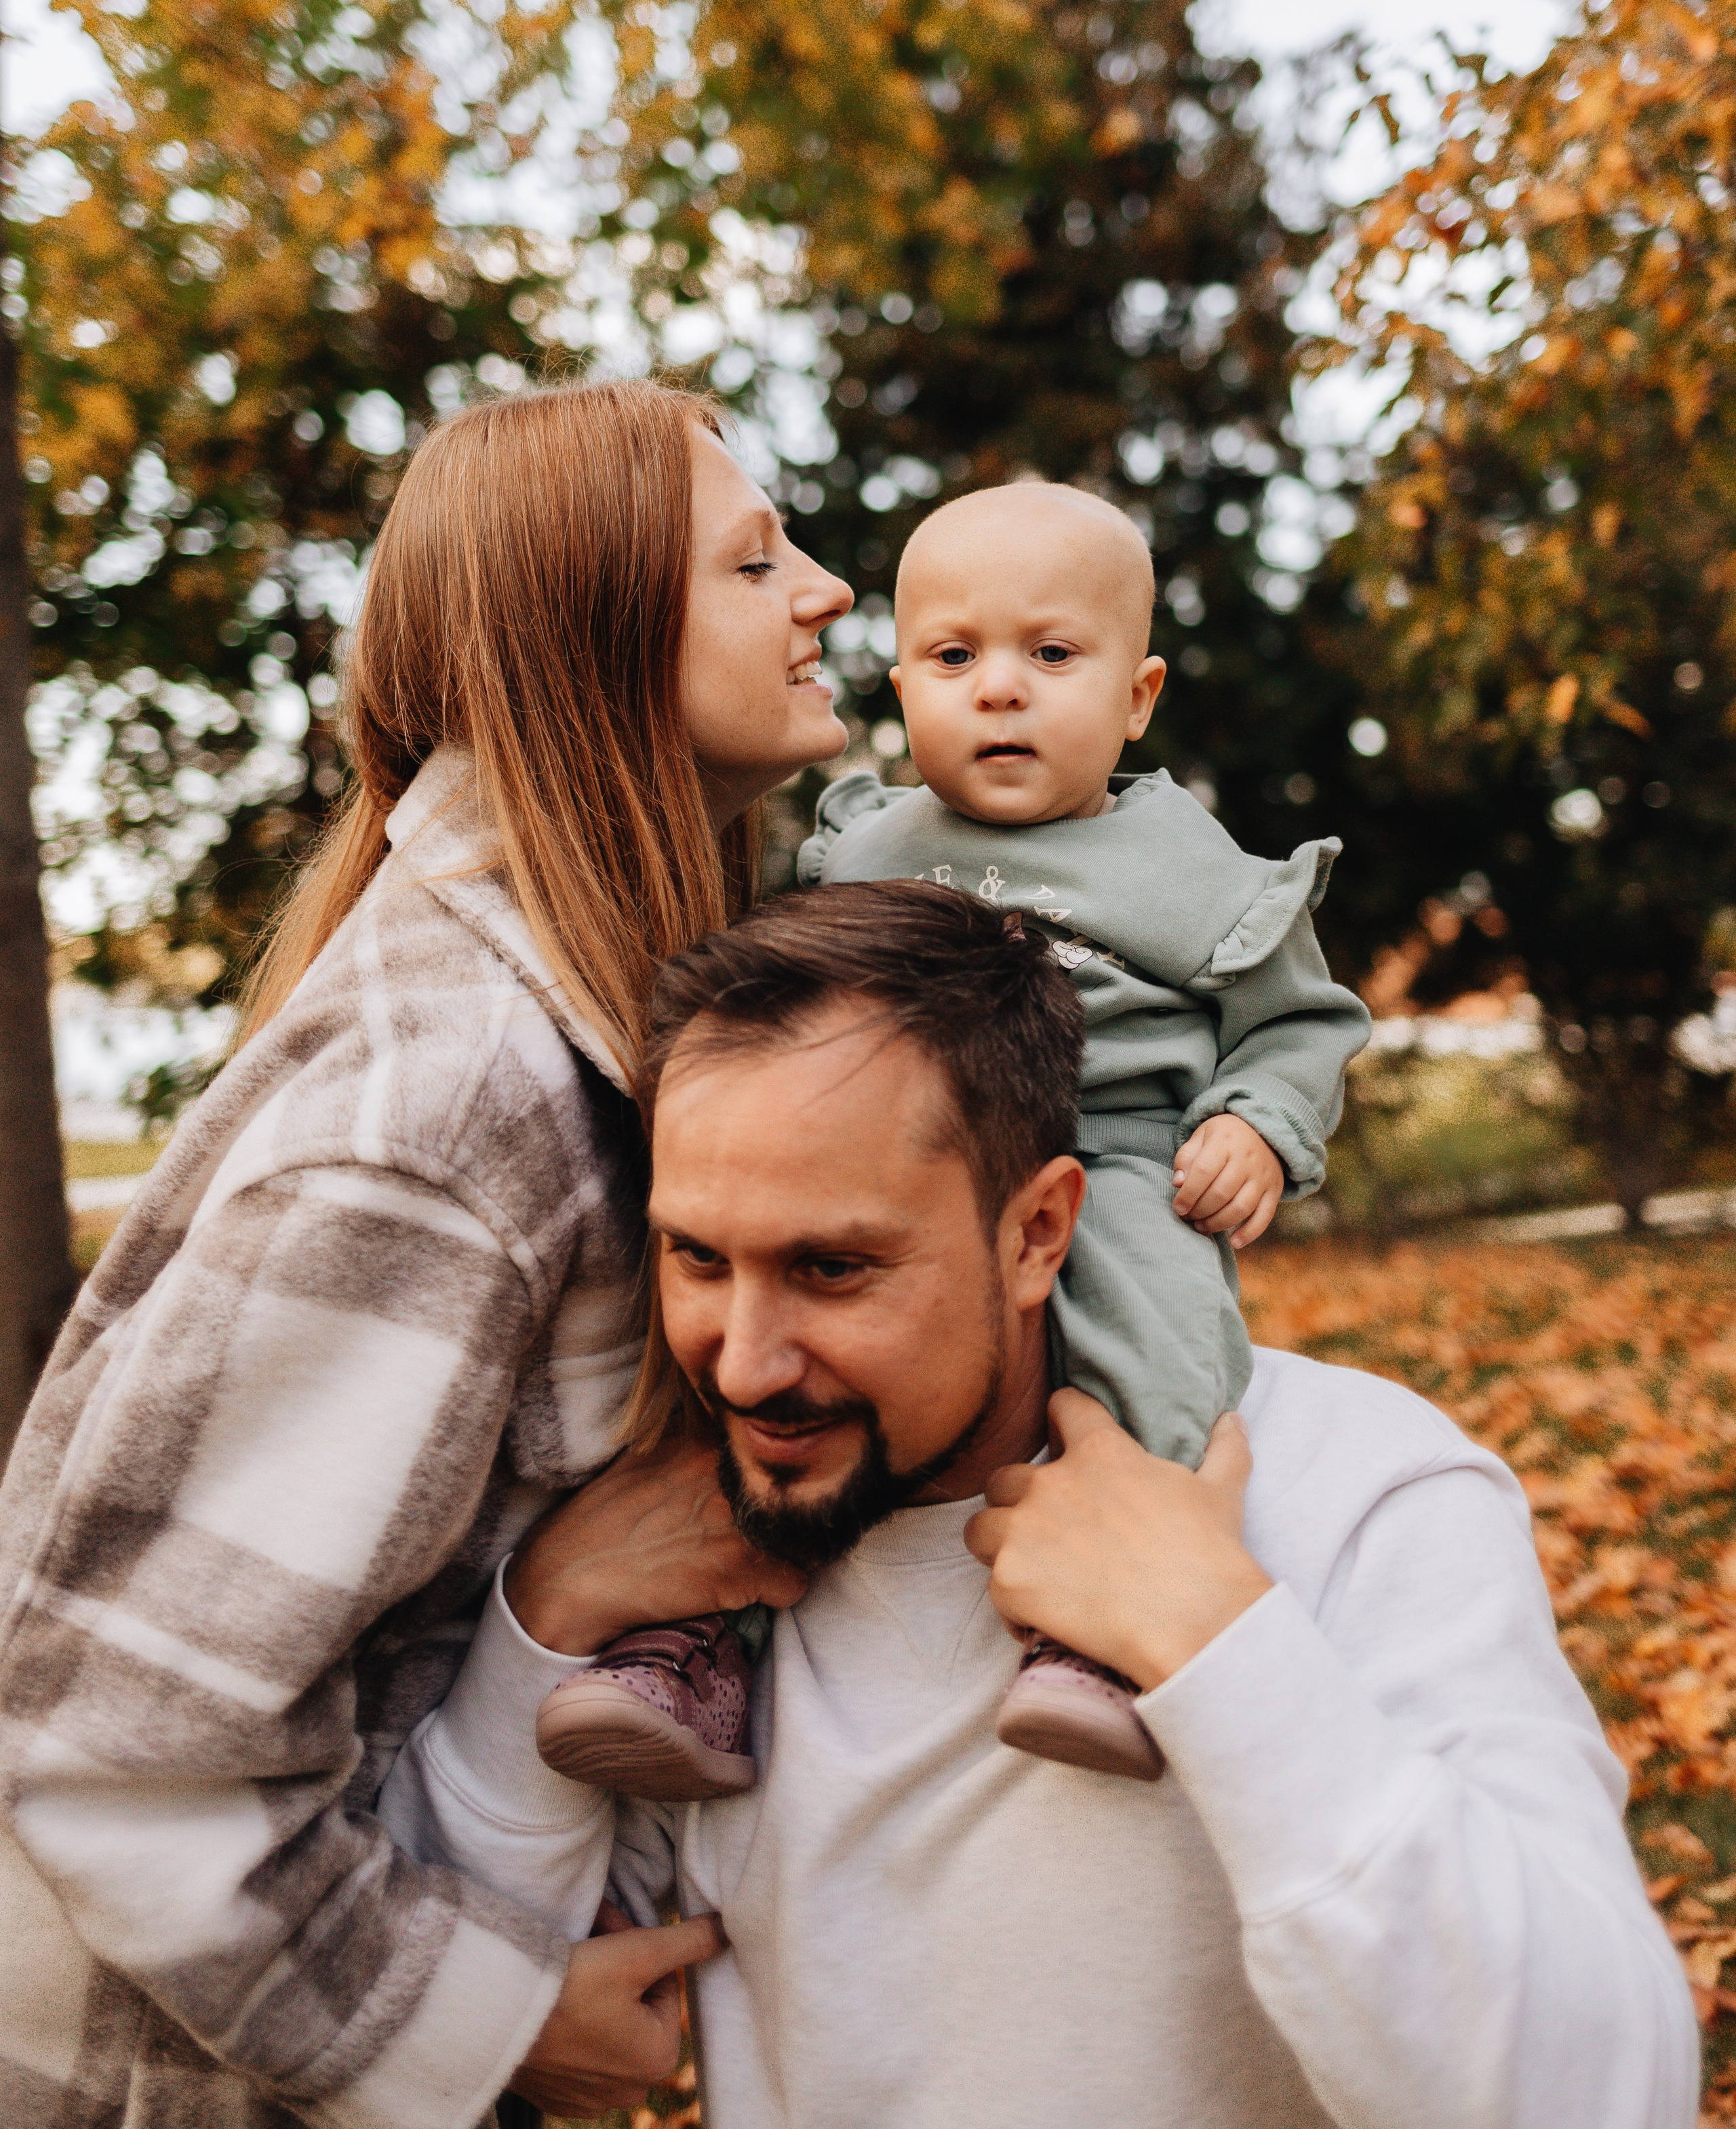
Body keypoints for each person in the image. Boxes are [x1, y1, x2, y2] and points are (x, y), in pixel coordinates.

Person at [381, 878, 1699, 2129]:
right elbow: (443, 2022)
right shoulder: (692, 1598)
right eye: (698, 1258)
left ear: (1037, 1232)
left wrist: (1217, 1643)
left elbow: (1596, 2091)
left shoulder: (1356, 1490)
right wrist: (542, 1620)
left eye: (832, 1268)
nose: (742, 1360)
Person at [0, 380, 850, 2128]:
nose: (830, 589)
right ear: (593, 640)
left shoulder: (558, 1023)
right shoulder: (453, 1104)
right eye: (757, 561)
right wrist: (487, 2022)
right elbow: (112, 1753)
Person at [531, 479, 1369, 1791]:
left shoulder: (1194, 872)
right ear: (904, 680)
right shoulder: (864, 845)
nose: (997, 691)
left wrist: (1255, 1126)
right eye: (952, 656)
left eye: (1049, 656)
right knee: (759, 1358)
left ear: (1135, 697)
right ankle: (688, 1643)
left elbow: (1303, 1025)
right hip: (876, 1175)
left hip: (1119, 1146)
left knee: (1157, 1331)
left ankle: (1102, 1623)